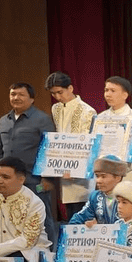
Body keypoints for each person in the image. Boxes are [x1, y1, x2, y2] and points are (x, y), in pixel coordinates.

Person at [0, 82, 58, 247]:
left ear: (32, 98)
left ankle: (50, 255)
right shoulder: (4, 120)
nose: (16, 98)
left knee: (42, 218)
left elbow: (51, 149)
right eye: (13, 94)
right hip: (9, 180)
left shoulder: (42, 119)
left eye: (21, 95)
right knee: (12, 219)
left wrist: (48, 178)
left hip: (34, 179)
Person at [47, 71, 97, 219]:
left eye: (60, 92)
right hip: (63, 167)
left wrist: (74, 169)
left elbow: (88, 144)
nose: (57, 97)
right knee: (71, 212)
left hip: (80, 169)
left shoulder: (87, 110)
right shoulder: (56, 108)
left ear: (70, 88)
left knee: (83, 209)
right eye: (53, 93)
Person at [92, 76, 132, 181]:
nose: (108, 94)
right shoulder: (99, 118)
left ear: (125, 95)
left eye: (113, 91)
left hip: (125, 173)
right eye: (106, 90)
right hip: (102, 172)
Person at [69, 156, 128, 226]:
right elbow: (80, 217)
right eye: (97, 176)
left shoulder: (129, 197)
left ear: (118, 178)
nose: (98, 181)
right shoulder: (95, 196)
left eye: (103, 176)